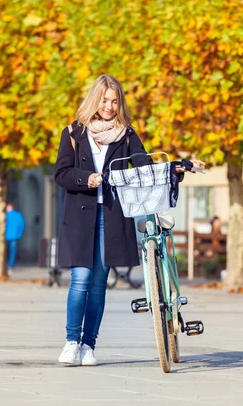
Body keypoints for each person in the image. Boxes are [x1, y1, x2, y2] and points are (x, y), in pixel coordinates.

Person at [53, 74, 205, 366]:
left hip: (110, 216)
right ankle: (72, 341)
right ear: (95, 99)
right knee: (80, 279)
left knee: (99, 283)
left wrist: (179, 165)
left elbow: (145, 166)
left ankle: (88, 345)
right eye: (105, 100)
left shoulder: (126, 134)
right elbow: (61, 174)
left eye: (115, 101)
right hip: (80, 218)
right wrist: (88, 179)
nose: (109, 106)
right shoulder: (73, 133)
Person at [5, 203, 25, 274]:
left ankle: (7, 265)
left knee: (6, 252)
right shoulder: (18, 215)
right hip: (14, 236)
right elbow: (22, 225)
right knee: (12, 252)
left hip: (6, 236)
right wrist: (19, 234)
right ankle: (10, 266)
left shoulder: (6, 216)